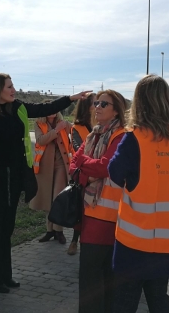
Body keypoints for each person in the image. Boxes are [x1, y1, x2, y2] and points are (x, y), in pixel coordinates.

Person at [0, 72, 90, 294]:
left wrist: (71, 99)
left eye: (13, 86)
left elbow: (44, 108)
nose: (14, 90)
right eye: (9, 87)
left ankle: (5, 275)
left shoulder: (18, 108)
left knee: (8, 227)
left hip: (15, 177)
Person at [108, 75, 169, 313]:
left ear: (139, 103)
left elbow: (115, 173)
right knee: (158, 296)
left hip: (134, 241)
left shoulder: (135, 138)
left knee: (124, 301)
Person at [69, 89, 126, 313]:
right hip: (89, 215)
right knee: (89, 280)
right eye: (96, 103)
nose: (97, 107)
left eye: (104, 104)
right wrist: (85, 171)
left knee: (103, 280)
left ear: (116, 111)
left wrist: (83, 167)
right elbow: (74, 164)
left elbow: (105, 166)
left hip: (109, 219)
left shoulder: (121, 135)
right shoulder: (93, 134)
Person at [29, 103, 72, 245]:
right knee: (47, 200)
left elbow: (76, 133)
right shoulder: (38, 124)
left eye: (56, 109)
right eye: (51, 109)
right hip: (45, 167)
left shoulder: (64, 123)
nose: (54, 112)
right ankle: (49, 231)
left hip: (61, 165)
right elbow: (40, 140)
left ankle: (59, 231)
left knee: (57, 197)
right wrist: (56, 131)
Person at [66, 92, 96, 255]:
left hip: (98, 175)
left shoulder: (103, 125)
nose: (98, 106)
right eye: (95, 103)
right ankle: (74, 241)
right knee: (81, 211)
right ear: (87, 107)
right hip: (83, 175)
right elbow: (78, 151)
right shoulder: (76, 128)